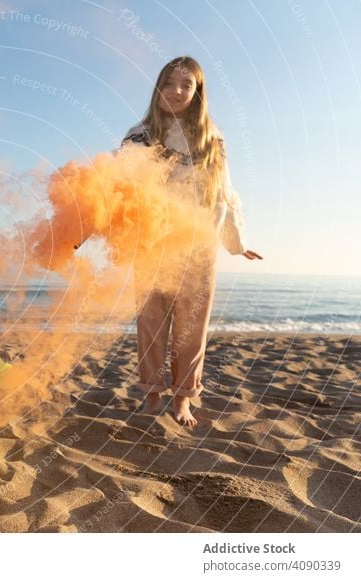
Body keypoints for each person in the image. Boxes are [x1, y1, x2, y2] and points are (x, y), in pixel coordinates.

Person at [122, 56, 263, 427]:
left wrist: (237, 240)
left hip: (198, 246)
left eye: (186, 85)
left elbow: (225, 193)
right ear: (158, 88)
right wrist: (81, 230)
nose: (177, 91)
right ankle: (152, 394)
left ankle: (183, 399)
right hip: (151, 244)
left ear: (198, 92)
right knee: (151, 323)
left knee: (191, 325)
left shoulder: (211, 139)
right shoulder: (140, 135)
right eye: (169, 83)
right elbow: (116, 188)